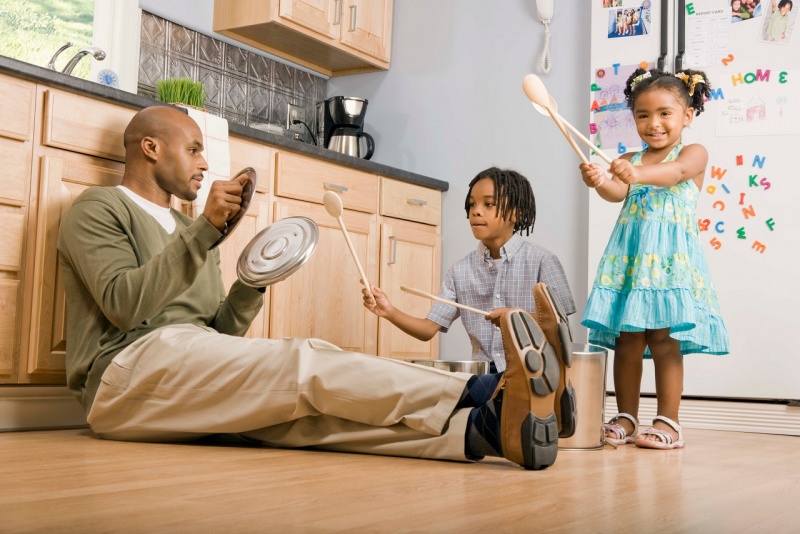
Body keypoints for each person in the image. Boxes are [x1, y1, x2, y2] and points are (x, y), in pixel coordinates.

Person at [56, 105, 572, 471]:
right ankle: (486, 391)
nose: (205, 163)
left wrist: (253, 282)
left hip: (182, 365)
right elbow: (124, 308)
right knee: (301, 363)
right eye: (193, 149)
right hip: (122, 378)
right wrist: (205, 233)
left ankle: (483, 432)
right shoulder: (99, 208)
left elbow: (217, 331)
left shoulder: (193, 232)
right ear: (151, 147)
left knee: (308, 421)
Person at [362, 167, 577, 436]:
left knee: (450, 399)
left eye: (488, 204)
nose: (476, 211)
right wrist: (389, 311)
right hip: (484, 376)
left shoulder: (543, 262)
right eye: (472, 204)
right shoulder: (460, 270)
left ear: (517, 214)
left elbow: (560, 330)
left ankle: (496, 418)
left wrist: (515, 319)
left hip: (531, 373)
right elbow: (428, 330)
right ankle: (503, 423)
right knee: (435, 384)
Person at [579, 68, 729, 450]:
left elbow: (674, 173)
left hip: (668, 263)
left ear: (688, 115)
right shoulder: (632, 158)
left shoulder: (693, 153)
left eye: (665, 113)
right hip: (631, 262)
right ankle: (626, 415)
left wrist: (637, 172)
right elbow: (617, 191)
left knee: (664, 341)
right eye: (643, 115)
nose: (654, 123)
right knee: (627, 340)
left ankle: (670, 421)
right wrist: (599, 180)